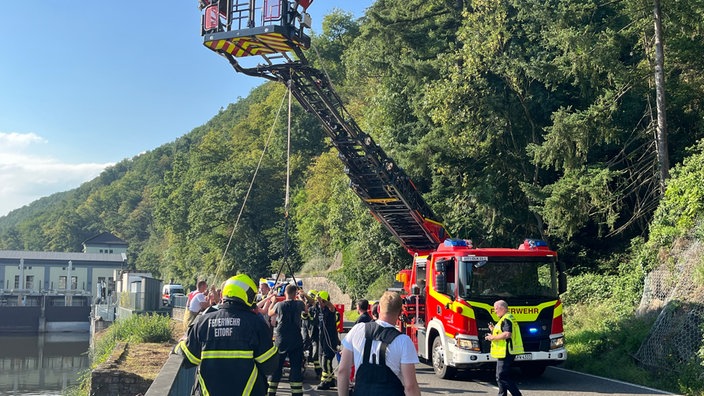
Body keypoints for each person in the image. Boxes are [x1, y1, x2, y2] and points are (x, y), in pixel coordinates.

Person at [174, 274, 278, 396]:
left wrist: (179, 345)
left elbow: (189, 359)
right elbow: (269, 366)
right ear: (248, 297)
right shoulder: (256, 324)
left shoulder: (203, 322)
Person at [337, 291, 420, 396]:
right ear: (400, 313)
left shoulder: (358, 329)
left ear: (379, 309)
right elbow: (410, 386)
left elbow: (343, 371)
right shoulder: (404, 341)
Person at [266, 284, 308, 396]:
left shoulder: (280, 305)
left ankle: (271, 392)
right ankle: (297, 393)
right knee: (295, 366)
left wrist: (273, 301)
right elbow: (306, 310)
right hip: (295, 337)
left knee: (277, 366)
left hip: (281, 338)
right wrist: (301, 297)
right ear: (295, 294)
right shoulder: (299, 304)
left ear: (285, 293)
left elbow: (270, 313)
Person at [484, 300, 524, 396]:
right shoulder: (505, 318)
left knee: (502, 376)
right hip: (504, 352)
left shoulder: (507, 319)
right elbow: (502, 332)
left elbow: (507, 334)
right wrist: (493, 330)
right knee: (500, 376)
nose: (495, 311)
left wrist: (492, 337)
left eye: (496, 309)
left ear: (502, 308)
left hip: (506, 351)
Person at [315, 290, 340, 390]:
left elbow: (332, 307)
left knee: (326, 361)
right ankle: (331, 380)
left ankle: (325, 382)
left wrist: (324, 301)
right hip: (322, 339)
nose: (319, 304)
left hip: (330, 339)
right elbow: (312, 303)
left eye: (321, 302)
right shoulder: (319, 309)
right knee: (322, 361)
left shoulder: (330, 310)